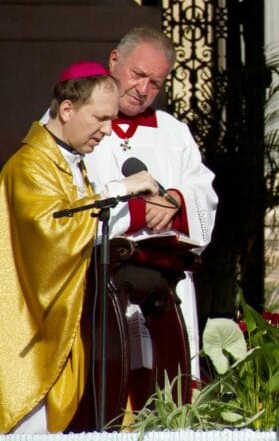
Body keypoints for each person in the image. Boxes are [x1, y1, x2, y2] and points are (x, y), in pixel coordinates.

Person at [0, 62, 159, 433]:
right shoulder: (30, 165)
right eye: (101, 118)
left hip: (71, 323)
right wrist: (119, 191)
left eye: (112, 119)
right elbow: (51, 237)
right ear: (67, 110)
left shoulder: (70, 163)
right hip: (28, 332)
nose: (108, 131)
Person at [83, 26, 219, 380]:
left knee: (166, 390)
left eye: (155, 83)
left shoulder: (173, 132)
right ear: (114, 59)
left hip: (165, 288)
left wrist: (176, 200)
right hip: (99, 282)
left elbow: (204, 192)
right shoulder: (76, 122)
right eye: (138, 75)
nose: (144, 90)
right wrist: (143, 209)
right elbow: (64, 199)